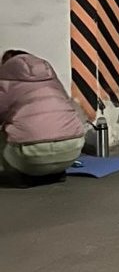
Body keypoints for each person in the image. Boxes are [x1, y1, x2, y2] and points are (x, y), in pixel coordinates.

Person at [0, 50, 85, 186]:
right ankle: (57, 173)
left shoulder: (6, 82)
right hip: (73, 149)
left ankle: (19, 175)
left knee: (5, 130)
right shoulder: (52, 80)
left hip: (31, 155)